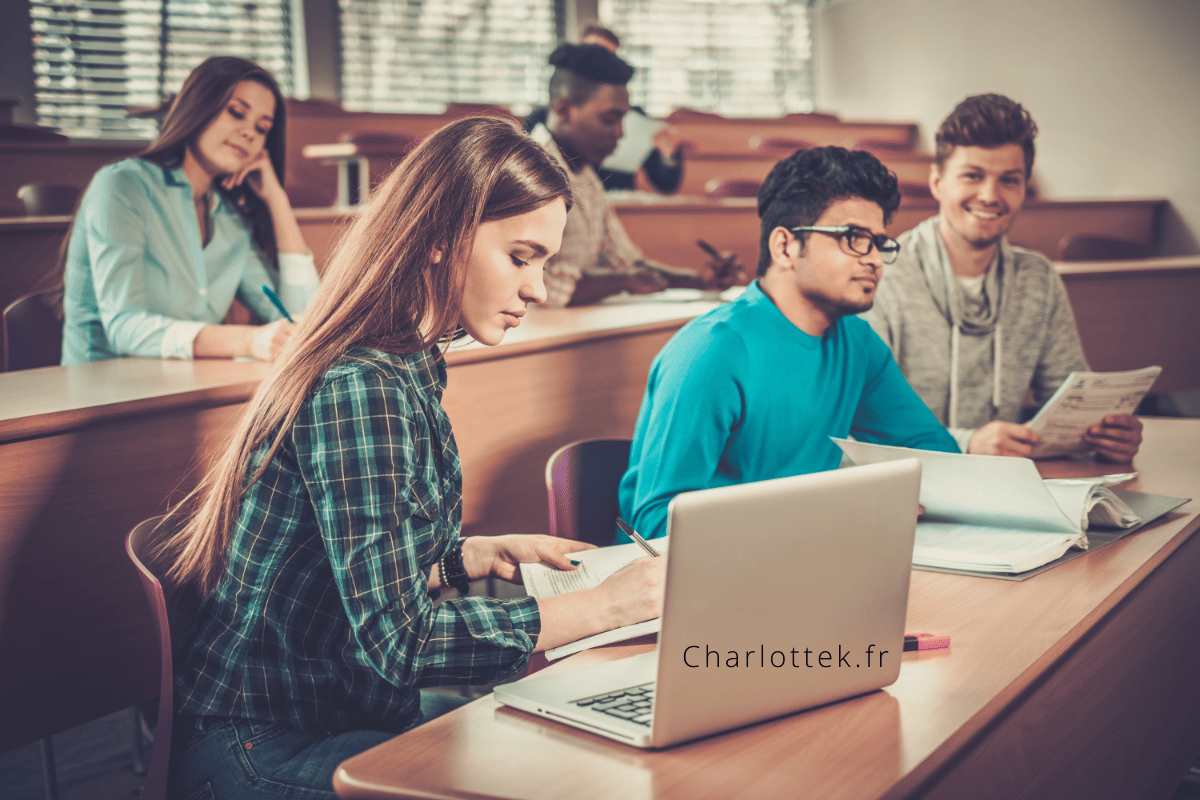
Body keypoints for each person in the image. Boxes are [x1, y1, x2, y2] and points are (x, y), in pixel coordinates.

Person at [155, 117, 665, 799]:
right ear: (437, 239)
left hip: (344, 712)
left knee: (571, 754)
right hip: (263, 746)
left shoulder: (410, 361)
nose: (538, 288)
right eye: (521, 257)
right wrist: (603, 609)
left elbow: (354, 583)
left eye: (543, 261)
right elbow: (400, 642)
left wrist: (460, 558)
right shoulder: (362, 386)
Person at [619, 146, 960, 539]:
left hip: (800, 559)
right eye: (854, 238)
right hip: (690, 577)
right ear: (784, 247)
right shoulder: (711, 352)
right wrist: (832, 514)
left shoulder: (857, 344)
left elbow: (936, 457)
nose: (875, 260)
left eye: (879, 243)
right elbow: (656, 524)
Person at [863, 94, 1142, 461]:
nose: (990, 196)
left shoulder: (1037, 278)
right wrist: (966, 444)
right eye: (972, 176)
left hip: (1003, 487)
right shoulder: (881, 275)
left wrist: (1103, 436)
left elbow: (1068, 406)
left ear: (1025, 188)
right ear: (937, 182)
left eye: (1009, 180)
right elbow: (863, 425)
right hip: (908, 489)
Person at [60, 56, 319, 364]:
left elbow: (296, 318)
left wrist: (277, 200)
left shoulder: (230, 220)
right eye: (236, 113)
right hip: (101, 395)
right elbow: (124, 327)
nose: (250, 133)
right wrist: (248, 340)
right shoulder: (121, 185)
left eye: (262, 128)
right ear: (199, 107)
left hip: (187, 389)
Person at [529, 42, 742, 307]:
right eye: (610, 119)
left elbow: (628, 264)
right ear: (563, 110)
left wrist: (697, 280)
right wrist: (622, 281)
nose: (620, 133)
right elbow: (537, 283)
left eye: (623, 120)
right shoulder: (527, 171)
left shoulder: (586, 176)